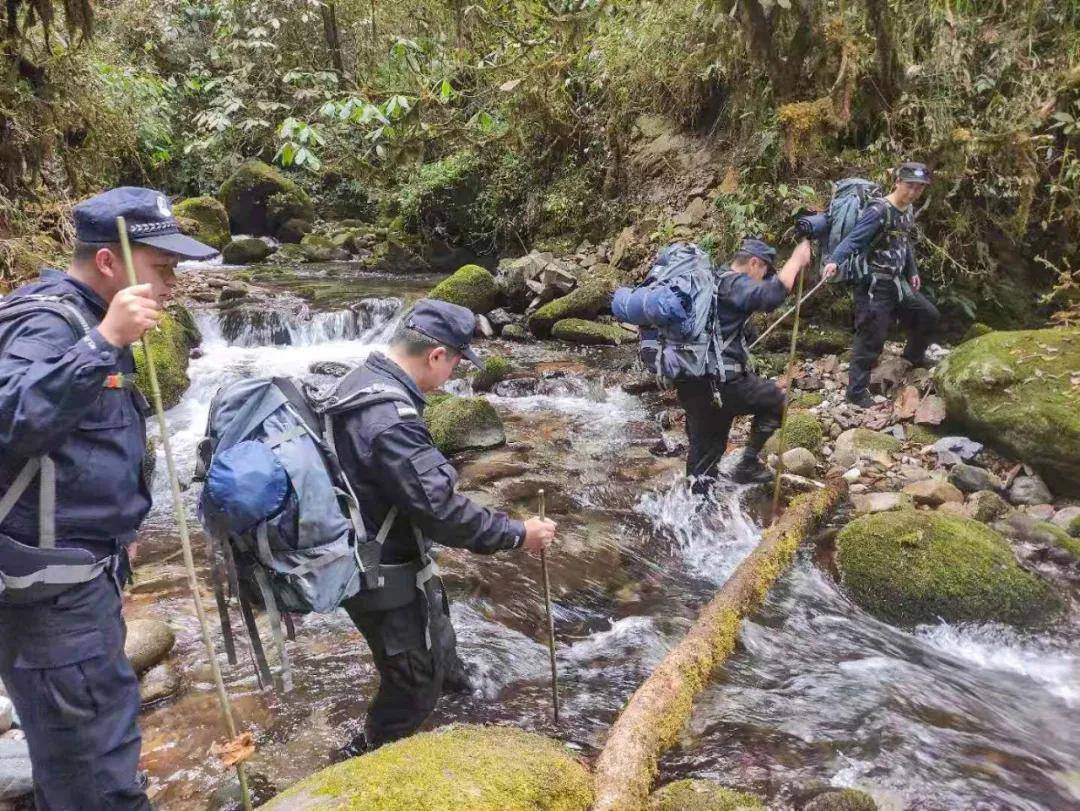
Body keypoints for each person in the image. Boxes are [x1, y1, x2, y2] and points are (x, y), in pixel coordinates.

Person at [0, 188, 218, 810]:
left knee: (77, 765)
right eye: (163, 266)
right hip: (49, 603)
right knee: (98, 780)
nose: (173, 283)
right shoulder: (47, 321)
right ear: (107, 262)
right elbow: (10, 416)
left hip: (75, 581)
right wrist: (102, 342)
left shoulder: (84, 316)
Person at [329, 299, 557, 757]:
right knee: (413, 686)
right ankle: (363, 761)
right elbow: (443, 513)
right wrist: (517, 534)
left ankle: (457, 686)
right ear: (436, 356)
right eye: (455, 362)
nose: (453, 375)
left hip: (377, 546)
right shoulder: (391, 420)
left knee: (434, 633)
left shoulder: (360, 381)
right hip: (378, 570)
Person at [676, 238, 814, 489]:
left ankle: (690, 513)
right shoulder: (736, 283)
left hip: (690, 381)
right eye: (764, 272)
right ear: (754, 263)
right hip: (721, 385)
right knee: (775, 400)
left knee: (704, 456)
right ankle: (746, 464)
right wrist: (796, 260)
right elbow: (770, 296)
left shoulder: (712, 281)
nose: (763, 278)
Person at [823, 161, 941, 408]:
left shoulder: (906, 210)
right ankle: (856, 393)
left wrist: (912, 270)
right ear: (898, 182)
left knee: (928, 315)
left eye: (919, 188)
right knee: (871, 336)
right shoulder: (879, 210)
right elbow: (855, 239)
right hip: (874, 283)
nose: (913, 192)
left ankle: (911, 360)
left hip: (897, 283)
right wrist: (834, 261)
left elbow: (904, 242)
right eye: (910, 186)